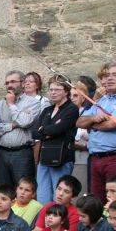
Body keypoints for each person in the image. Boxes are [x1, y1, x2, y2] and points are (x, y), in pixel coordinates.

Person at [77, 60, 116, 200]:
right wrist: (94, 119)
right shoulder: (101, 100)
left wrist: (90, 123)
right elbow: (79, 122)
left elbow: (110, 125)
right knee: (97, 205)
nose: (109, 78)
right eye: (107, 75)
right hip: (96, 158)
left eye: (115, 75)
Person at [0, 71, 42, 189]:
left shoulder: (33, 103)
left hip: (22, 153)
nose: (9, 85)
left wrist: (11, 105)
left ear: (23, 84)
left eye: (13, 82)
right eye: (7, 83)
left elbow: (25, 122)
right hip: (2, 153)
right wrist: (12, 125)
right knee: (3, 191)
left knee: (23, 190)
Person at [32, 76, 79, 204]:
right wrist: (47, 131)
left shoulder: (71, 109)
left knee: (59, 197)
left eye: (57, 89)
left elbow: (58, 129)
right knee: (42, 198)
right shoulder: (47, 110)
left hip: (62, 157)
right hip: (44, 157)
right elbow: (35, 132)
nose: (53, 92)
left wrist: (46, 130)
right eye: (51, 89)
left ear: (66, 91)